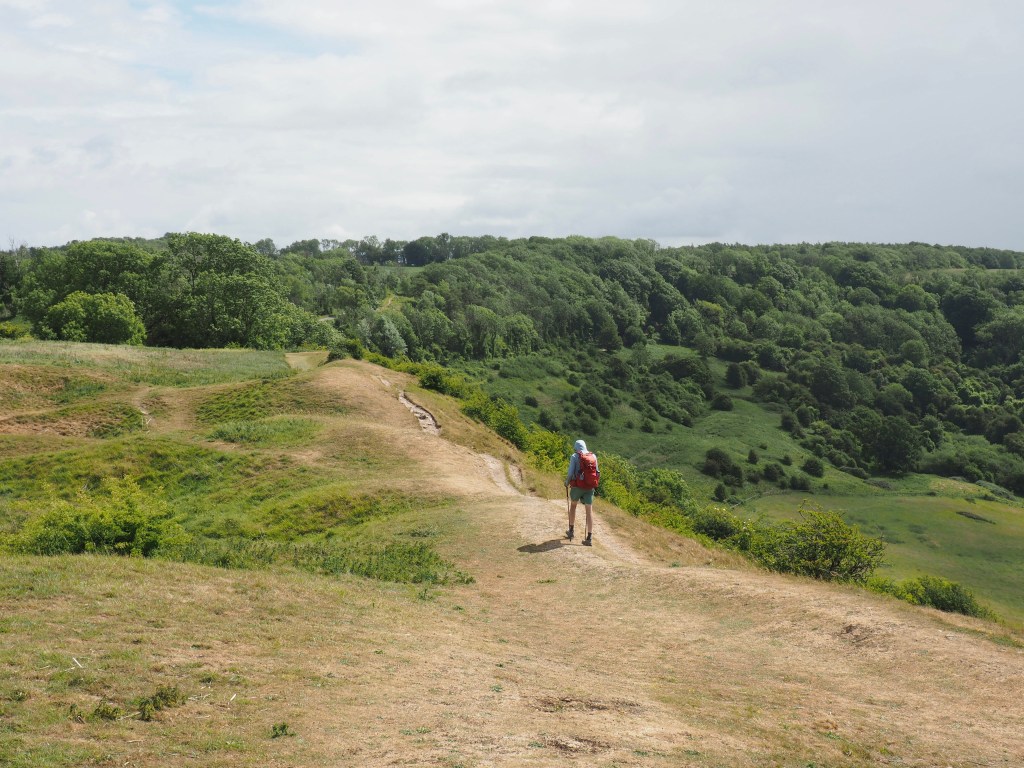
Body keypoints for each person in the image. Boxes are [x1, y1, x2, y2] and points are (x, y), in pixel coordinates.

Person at [565, 439, 598, 546]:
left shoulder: (575, 456)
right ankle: (589, 538)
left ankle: (571, 531)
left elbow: (570, 473)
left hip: (577, 486)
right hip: (590, 487)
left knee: (573, 506)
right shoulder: (593, 457)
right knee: (589, 511)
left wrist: (566, 482)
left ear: (576, 447)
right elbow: (597, 472)